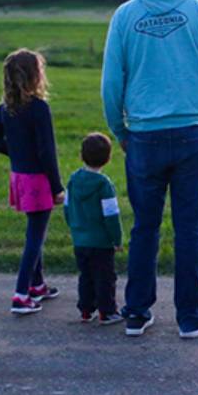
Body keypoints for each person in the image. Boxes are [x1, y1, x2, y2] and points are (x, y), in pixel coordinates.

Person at [101, 0, 198, 338]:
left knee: (145, 226)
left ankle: (137, 312)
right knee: (188, 228)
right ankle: (191, 317)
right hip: (194, 129)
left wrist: (119, 130)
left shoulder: (125, 17)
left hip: (144, 133)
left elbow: (112, 84)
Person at [0, 48, 64, 315]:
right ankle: (21, 294)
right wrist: (57, 188)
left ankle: (37, 285)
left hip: (19, 178)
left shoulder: (6, 109)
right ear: (35, 77)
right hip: (38, 180)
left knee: (35, 230)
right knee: (35, 236)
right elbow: (46, 153)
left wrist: (17, 153)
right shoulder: (40, 109)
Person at [63, 132, 124, 325]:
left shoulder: (73, 180)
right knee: (105, 277)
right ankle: (107, 311)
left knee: (86, 276)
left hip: (80, 239)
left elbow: (67, 208)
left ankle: (86, 310)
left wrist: (74, 227)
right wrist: (117, 239)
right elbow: (111, 215)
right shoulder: (104, 185)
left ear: (81, 156)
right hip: (101, 241)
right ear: (107, 159)